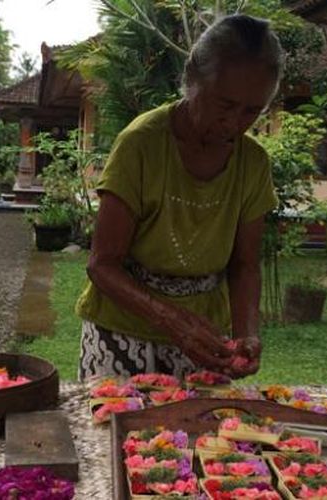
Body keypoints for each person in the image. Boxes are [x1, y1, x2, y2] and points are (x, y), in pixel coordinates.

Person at [76, 15, 284, 380]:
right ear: (193, 79)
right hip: (121, 329)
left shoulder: (253, 163)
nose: (235, 122)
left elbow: (245, 265)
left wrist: (247, 334)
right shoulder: (141, 144)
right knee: (111, 431)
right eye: (224, 104)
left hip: (205, 335)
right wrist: (173, 321)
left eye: (252, 110)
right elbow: (102, 265)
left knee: (202, 435)